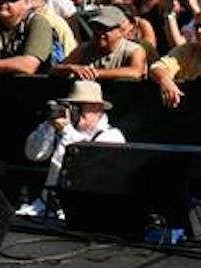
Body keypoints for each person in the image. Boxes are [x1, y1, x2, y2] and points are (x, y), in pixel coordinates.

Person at [18, 80, 126, 219]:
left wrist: (66, 131)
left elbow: (85, 169)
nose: (75, 112)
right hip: (45, 206)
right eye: (73, 106)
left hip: (83, 211)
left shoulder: (111, 136)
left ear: (98, 109)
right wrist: (48, 126)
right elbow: (34, 155)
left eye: (81, 107)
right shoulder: (62, 128)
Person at [55, 5, 148, 81]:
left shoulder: (134, 50)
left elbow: (135, 72)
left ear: (121, 31)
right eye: (97, 28)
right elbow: (55, 70)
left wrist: (94, 73)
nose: (100, 33)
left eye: (106, 29)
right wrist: (71, 68)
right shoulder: (85, 49)